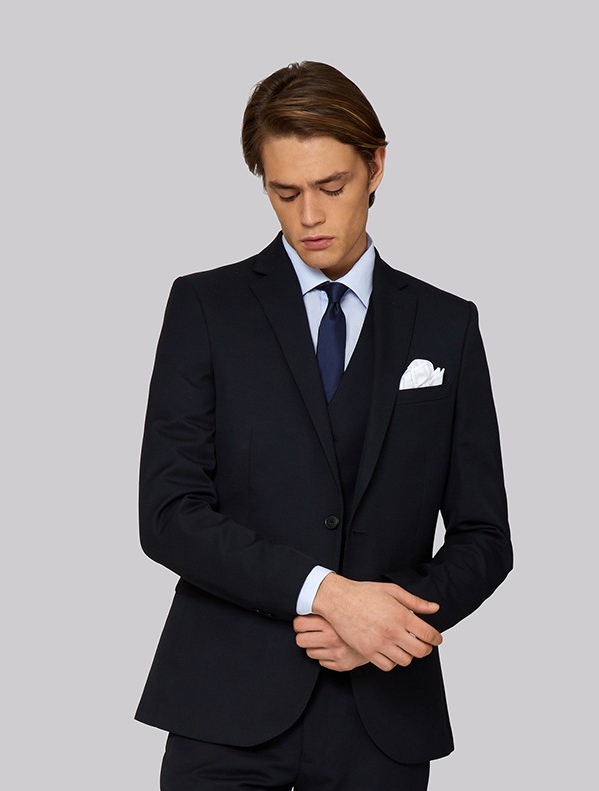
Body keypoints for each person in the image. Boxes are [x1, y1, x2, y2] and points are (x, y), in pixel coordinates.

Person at [135, 61, 513, 791]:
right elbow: (169, 514)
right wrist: (329, 595)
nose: (309, 216)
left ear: (376, 167)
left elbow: (485, 537)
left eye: (331, 188)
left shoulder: (446, 325)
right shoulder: (205, 309)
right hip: (224, 707)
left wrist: (388, 626)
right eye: (286, 193)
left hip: (383, 714)